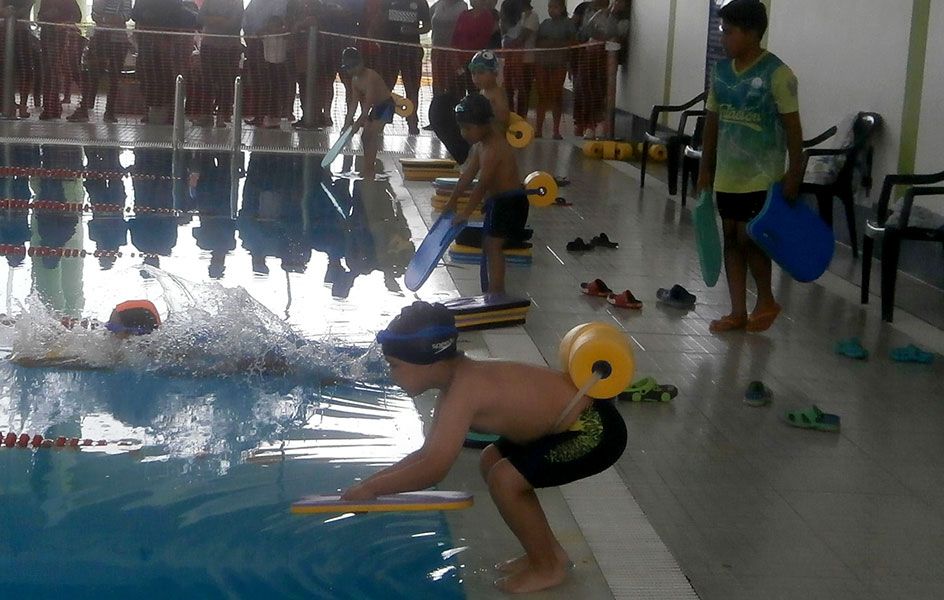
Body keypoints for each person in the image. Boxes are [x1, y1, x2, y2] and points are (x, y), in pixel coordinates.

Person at [342, 301, 627, 593]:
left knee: (506, 480)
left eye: (395, 365)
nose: (392, 374)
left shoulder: (466, 389)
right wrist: (368, 485)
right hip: (566, 425)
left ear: (428, 361)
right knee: (491, 460)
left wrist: (373, 491)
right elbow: (427, 454)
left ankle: (548, 568)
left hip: (595, 431)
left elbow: (434, 468)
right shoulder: (457, 381)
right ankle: (549, 554)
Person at [696, 0, 803, 334]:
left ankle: (766, 300)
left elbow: (793, 129)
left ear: (752, 33)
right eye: (722, 32)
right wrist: (705, 168)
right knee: (730, 238)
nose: (723, 39)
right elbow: (712, 122)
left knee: (751, 238)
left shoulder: (777, 74)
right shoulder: (722, 72)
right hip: (728, 175)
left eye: (728, 32)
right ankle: (737, 311)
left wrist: (794, 174)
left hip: (763, 176)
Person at [443, 92, 523, 295]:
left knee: (493, 246)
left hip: (511, 202)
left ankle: (497, 292)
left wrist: (465, 213)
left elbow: (482, 185)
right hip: (499, 202)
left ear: (485, 124)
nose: (463, 133)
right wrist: (452, 201)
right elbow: (467, 176)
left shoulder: (495, 148)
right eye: (461, 128)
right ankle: (494, 290)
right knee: (489, 245)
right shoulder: (481, 145)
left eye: (468, 128)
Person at [66, 0, 132, 123]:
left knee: (114, 77)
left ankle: (110, 111)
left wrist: (110, 19)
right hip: (100, 38)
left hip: (119, 40)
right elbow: (95, 14)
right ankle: (84, 108)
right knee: (93, 75)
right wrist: (108, 19)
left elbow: (127, 15)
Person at [340, 46, 394, 181]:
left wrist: (355, 126)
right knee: (365, 137)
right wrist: (346, 124)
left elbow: (366, 108)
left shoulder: (370, 77)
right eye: (348, 68)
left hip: (386, 105)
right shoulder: (355, 80)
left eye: (353, 66)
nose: (351, 70)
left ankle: (370, 169)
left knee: (372, 134)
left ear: (361, 63)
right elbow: (353, 104)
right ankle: (368, 167)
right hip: (377, 107)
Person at [192, 0, 243, 127]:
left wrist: (213, 19)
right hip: (209, 45)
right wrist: (221, 19)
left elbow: (234, 23)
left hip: (228, 47)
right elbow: (200, 18)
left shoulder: (236, 2)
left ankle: (223, 115)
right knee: (207, 81)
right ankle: (206, 116)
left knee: (226, 81)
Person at [534, 0, 575, 140]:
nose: (551, 10)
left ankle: (556, 130)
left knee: (556, 96)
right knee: (542, 96)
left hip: (559, 64)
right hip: (543, 64)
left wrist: (556, 43)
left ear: (562, 8)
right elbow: (537, 42)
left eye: (555, 7)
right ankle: (538, 129)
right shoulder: (544, 24)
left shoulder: (568, 24)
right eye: (549, 7)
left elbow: (573, 42)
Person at [36, 0, 81, 120]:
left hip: (61, 38)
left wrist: (64, 24)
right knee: (49, 73)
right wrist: (45, 18)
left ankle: (53, 106)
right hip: (46, 37)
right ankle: (50, 106)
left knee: (54, 71)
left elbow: (77, 16)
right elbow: (39, 17)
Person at [450, 0, 495, 95]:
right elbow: (455, 37)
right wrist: (454, 56)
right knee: (456, 89)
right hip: (459, 58)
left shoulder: (487, 17)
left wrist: (468, 56)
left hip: (476, 61)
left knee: (473, 90)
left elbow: (483, 39)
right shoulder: (464, 15)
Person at [429, 0, 467, 96]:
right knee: (438, 84)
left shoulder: (463, 6)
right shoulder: (437, 5)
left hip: (454, 53)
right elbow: (427, 20)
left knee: (455, 83)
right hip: (437, 51)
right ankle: (438, 106)